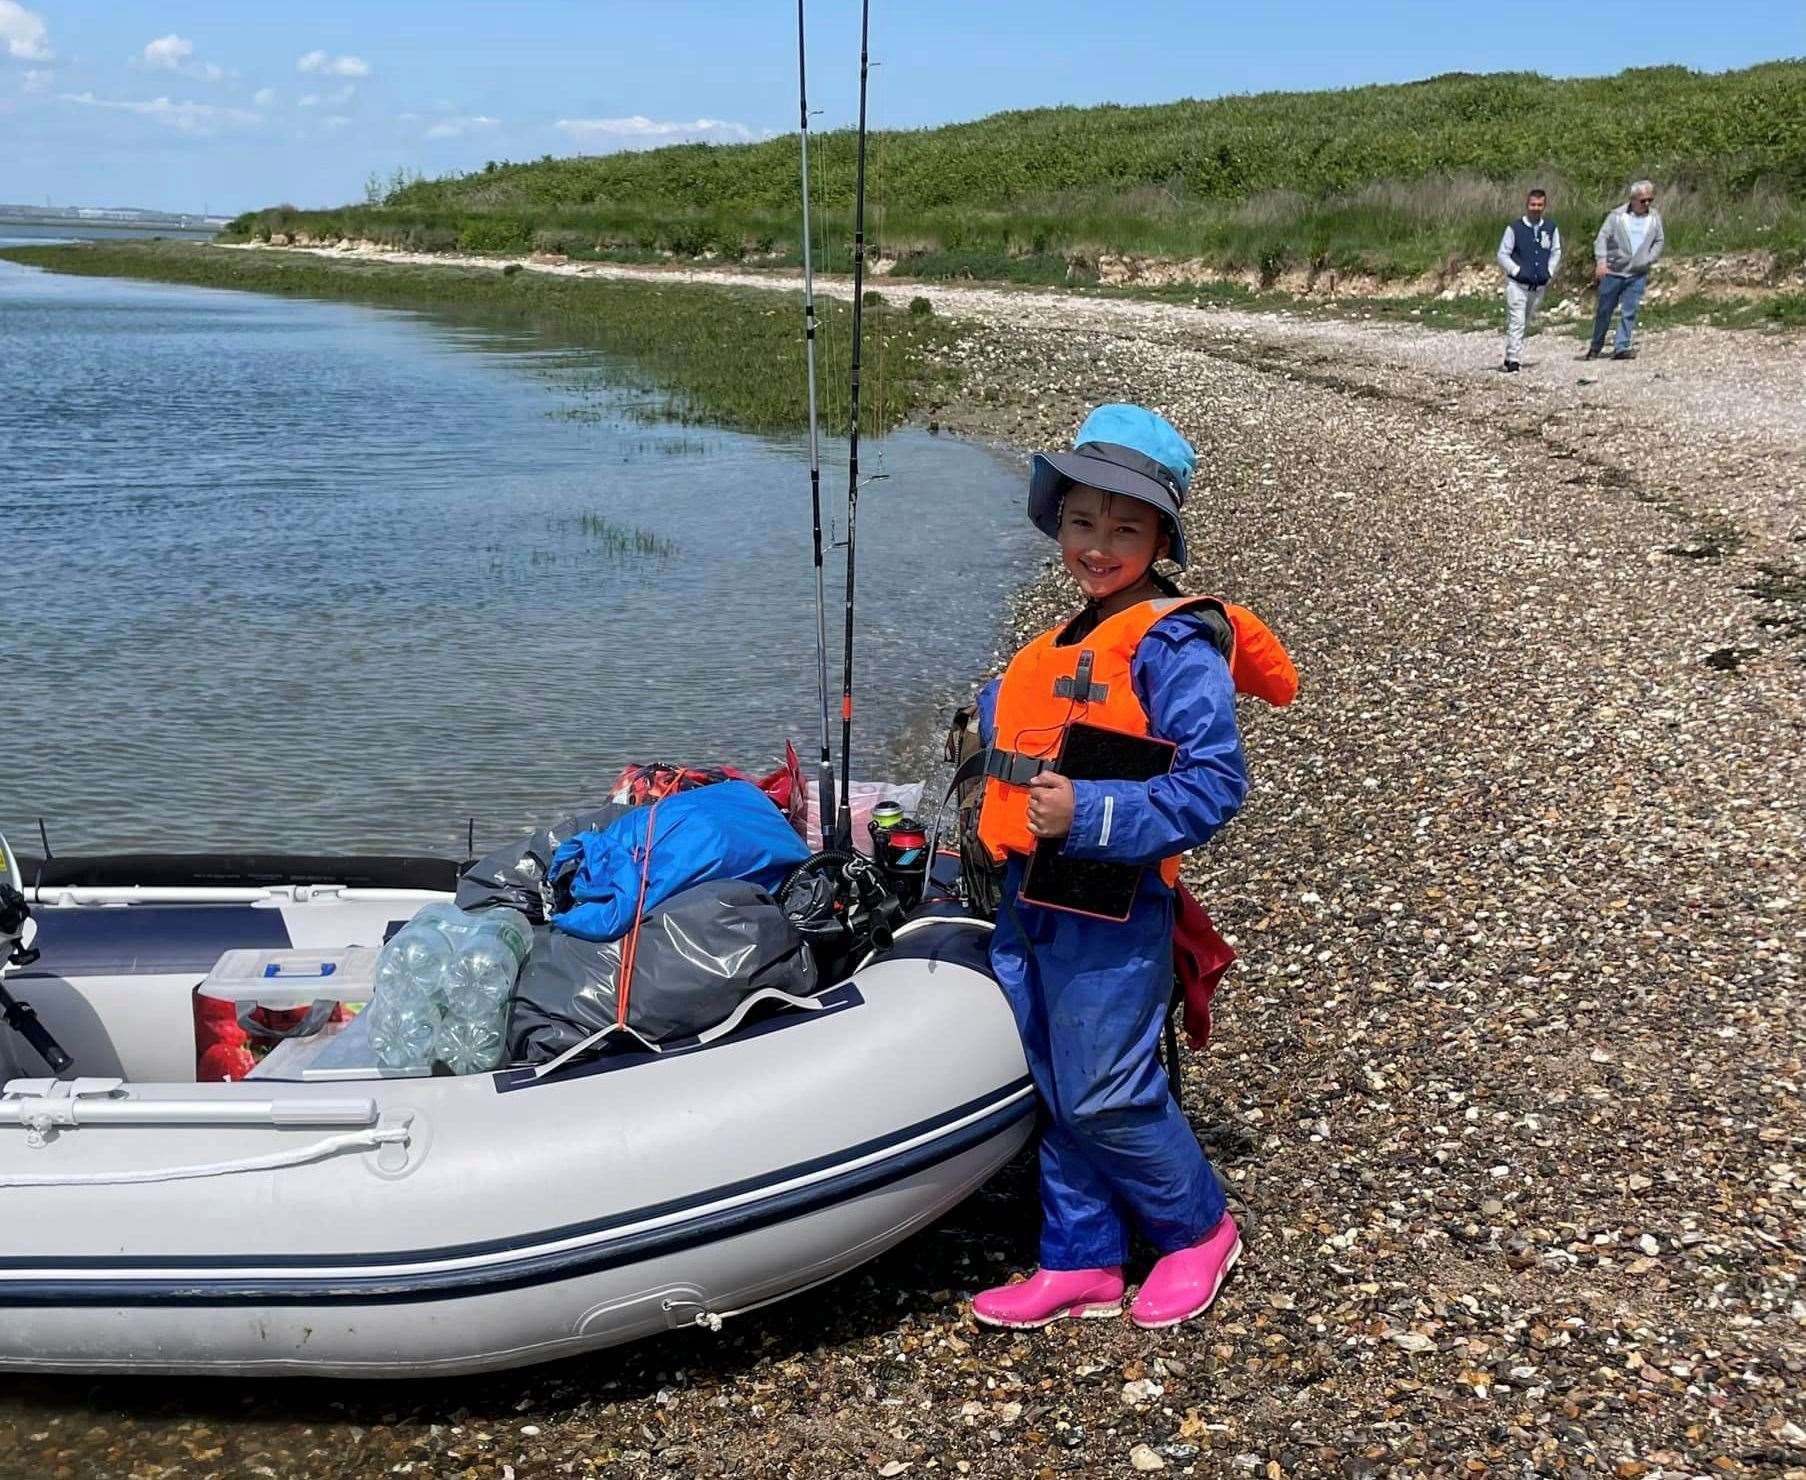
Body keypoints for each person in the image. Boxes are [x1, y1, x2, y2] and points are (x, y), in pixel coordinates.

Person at [966, 403, 1296, 1331]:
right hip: (1032, 899)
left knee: (1109, 1087)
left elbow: (1214, 784)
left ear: (1160, 537)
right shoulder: (1062, 638)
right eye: (1082, 521)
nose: (1099, 543)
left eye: (1125, 527)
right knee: (1058, 1084)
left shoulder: (1172, 639)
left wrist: (1095, 812)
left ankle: (1197, 1231)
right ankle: (1083, 1259)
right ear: (1057, 522)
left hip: (1111, 910)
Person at [1589, 181, 1665, 360]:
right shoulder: (1616, 216)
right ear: (1632, 199)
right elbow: (1602, 238)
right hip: (1614, 271)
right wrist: (1601, 261)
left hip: (1637, 273)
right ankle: (1596, 345)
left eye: (1649, 200)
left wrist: (1649, 258)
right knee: (1604, 310)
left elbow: (1659, 241)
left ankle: (1621, 346)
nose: (1646, 204)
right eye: (1643, 201)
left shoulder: (1654, 217)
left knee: (1629, 311)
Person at [1497, 189, 1561, 372]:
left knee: (1525, 320)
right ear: (1527, 205)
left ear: (1544, 206)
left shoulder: (1550, 228)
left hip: (1538, 285)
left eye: (1540, 205)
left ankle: (1510, 356)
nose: (1536, 208)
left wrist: (1549, 270)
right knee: (1517, 320)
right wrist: (1516, 270)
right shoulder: (1515, 228)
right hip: (1517, 285)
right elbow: (1503, 254)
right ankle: (1515, 360)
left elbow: (1556, 251)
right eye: (1533, 204)